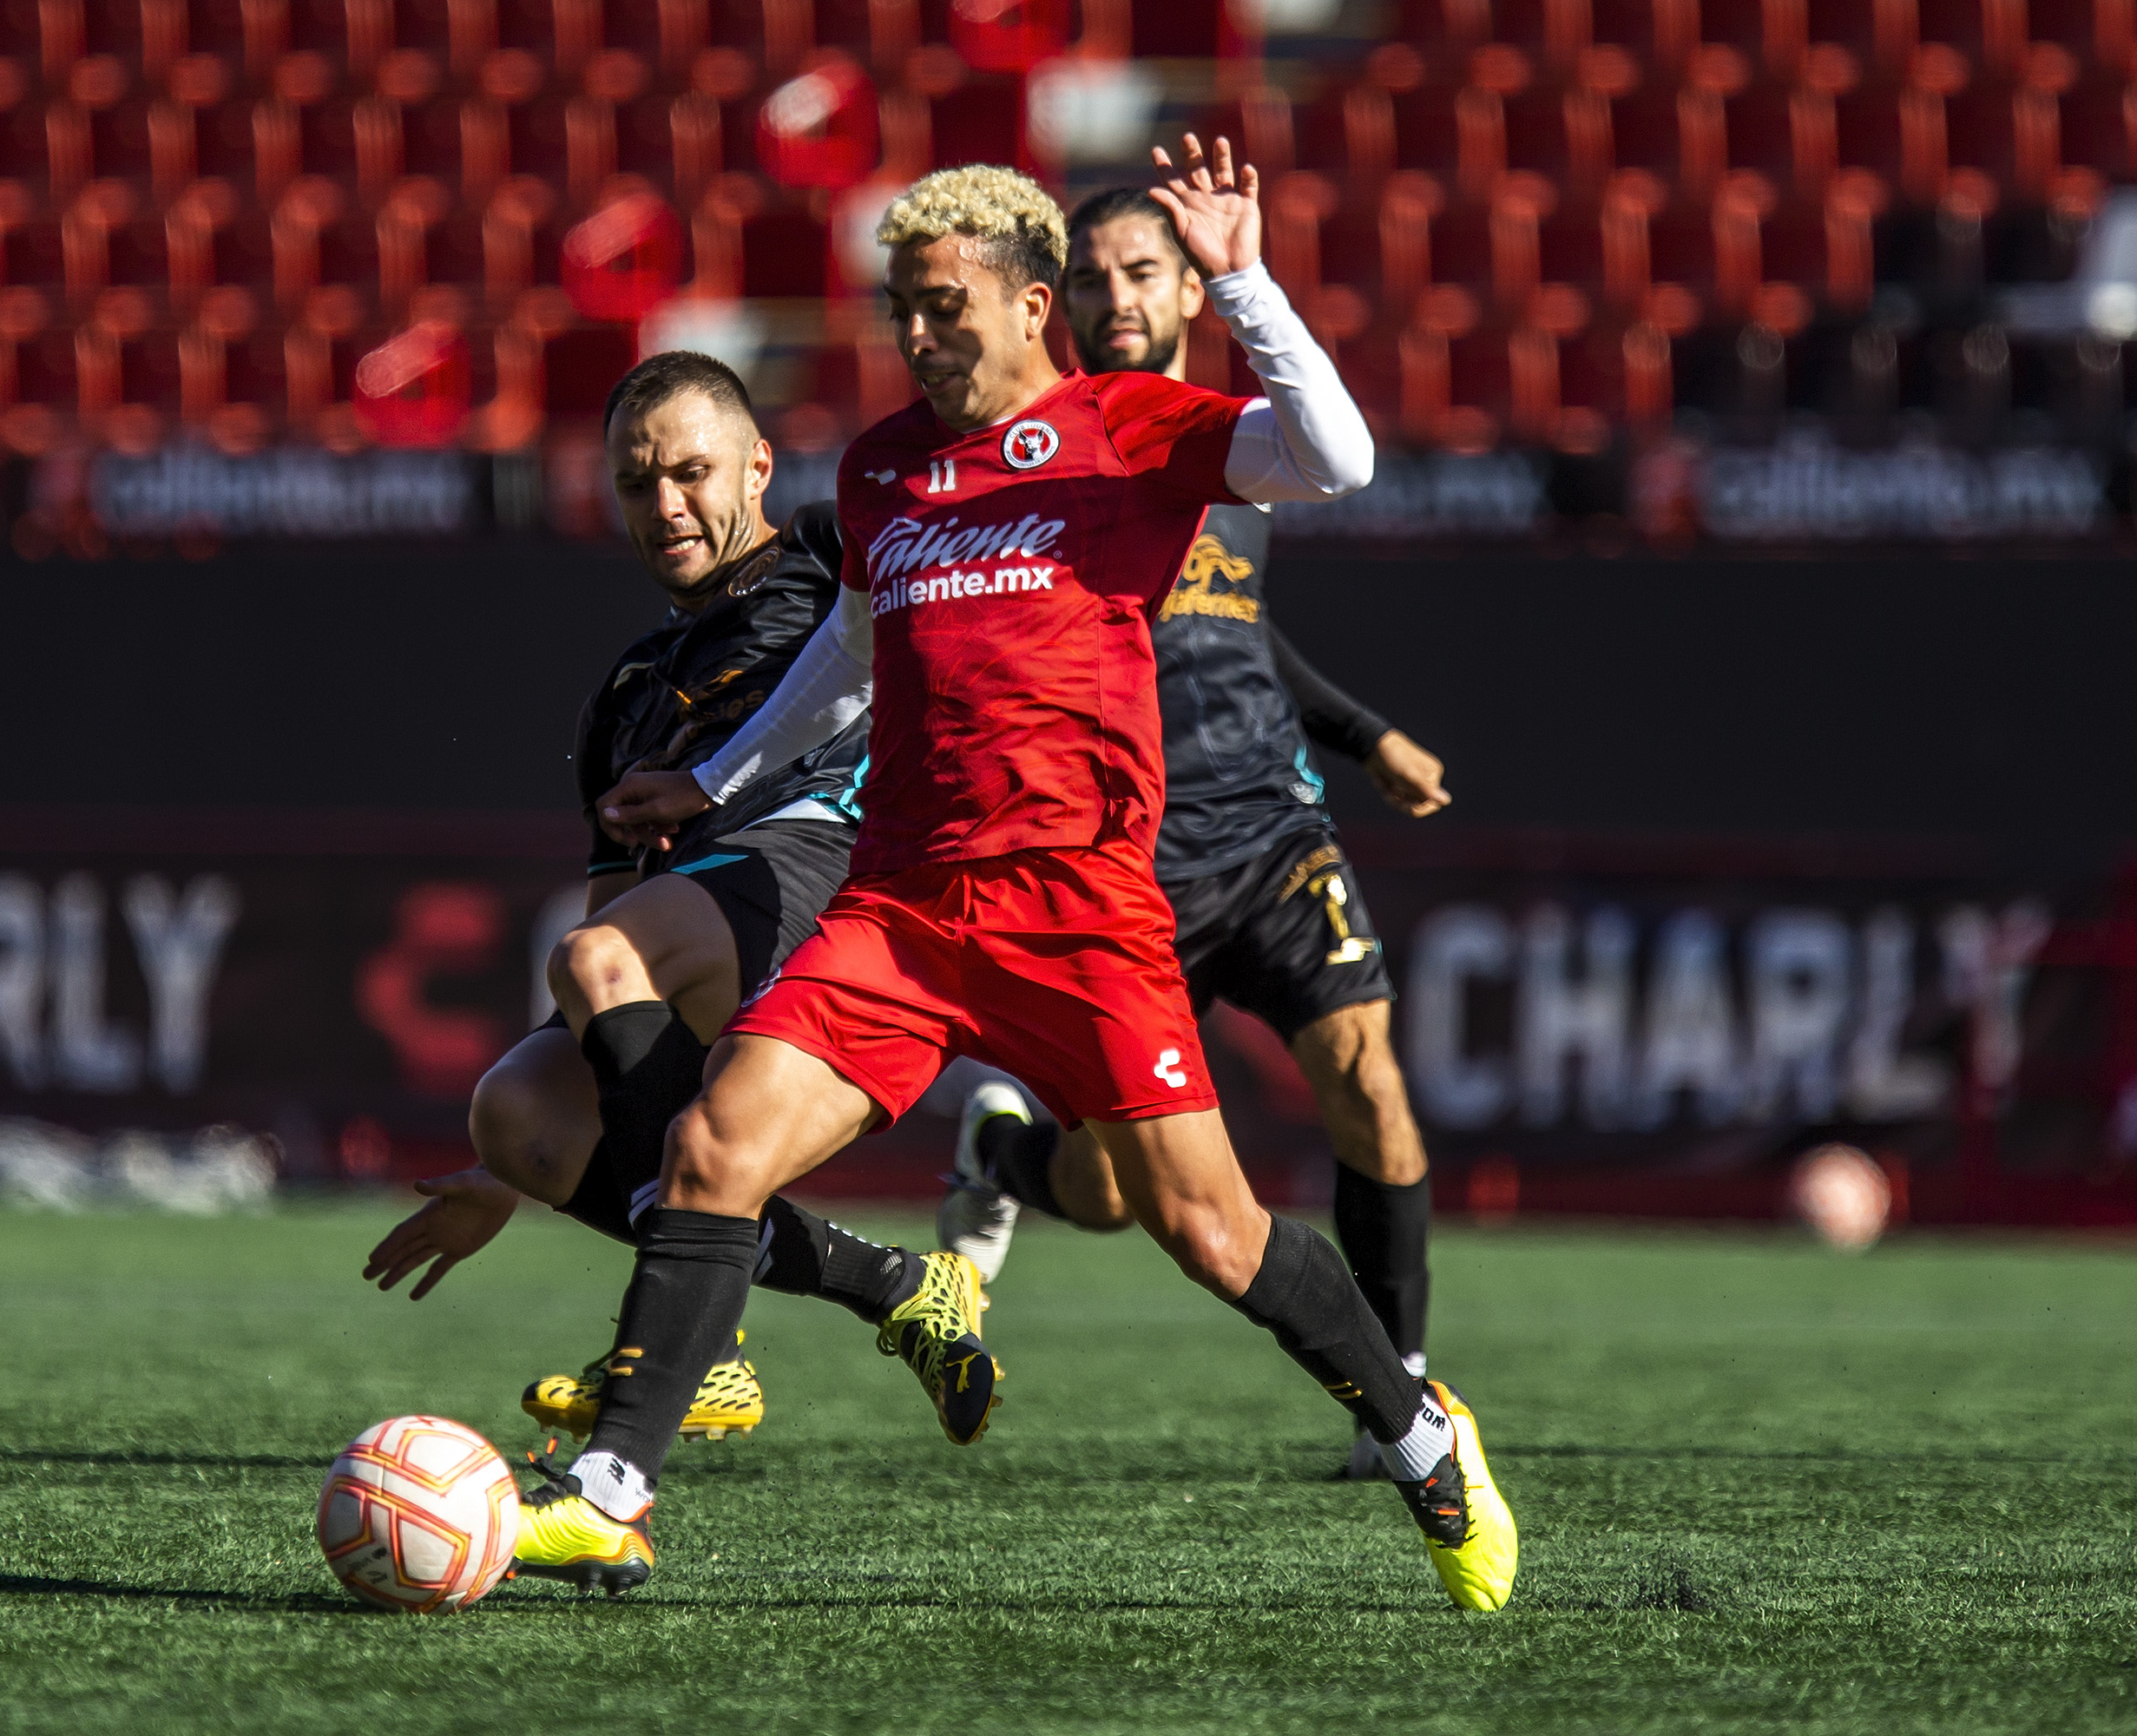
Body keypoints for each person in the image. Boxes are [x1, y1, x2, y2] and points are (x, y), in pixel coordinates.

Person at [522, 141, 1517, 1609]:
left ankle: (1427, 1438)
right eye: (900, 311)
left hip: (1081, 910)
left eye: (943, 308)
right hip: (905, 905)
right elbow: (851, 657)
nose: (916, 337)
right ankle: (614, 1492)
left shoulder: (1130, 427)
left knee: (1207, 1231)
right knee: (713, 1150)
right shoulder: (880, 470)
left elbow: (1341, 458)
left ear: (1033, 302)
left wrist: (1239, 275)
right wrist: (719, 783)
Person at [358, 354, 1003, 1516]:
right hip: (699, 939)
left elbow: (948, 566)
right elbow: (611, 932)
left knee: (599, 962)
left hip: (841, 883)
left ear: (758, 465)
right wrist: (518, 1177)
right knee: (515, 1110)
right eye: (637, 482)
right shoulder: (626, 695)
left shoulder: (822, 553)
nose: (666, 505)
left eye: (691, 473)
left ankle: (701, 1349)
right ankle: (900, 1287)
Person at [934, 185, 1454, 1483]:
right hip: (1126, 864)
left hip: (1272, 834)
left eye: (1143, 272)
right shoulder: (1049, 449)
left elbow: (1230, 616)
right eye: (1096, 277)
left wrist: (1362, 734)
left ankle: (1396, 1401)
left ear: (1183, 290)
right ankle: (1003, 1153)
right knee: (1117, 1198)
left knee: (1372, 1089)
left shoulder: (1233, 445)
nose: (1120, 298)